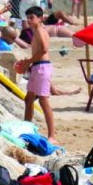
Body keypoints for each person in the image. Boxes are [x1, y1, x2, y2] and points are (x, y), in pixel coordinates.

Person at [15, 8, 56, 140]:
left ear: (40, 18)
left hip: (43, 67)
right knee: (28, 99)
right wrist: (30, 64)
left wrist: (29, 62)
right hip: (38, 67)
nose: (29, 20)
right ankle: (27, 127)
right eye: (28, 17)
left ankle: (52, 135)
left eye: (32, 17)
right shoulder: (36, 31)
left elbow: (44, 49)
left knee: (44, 101)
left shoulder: (40, 30)